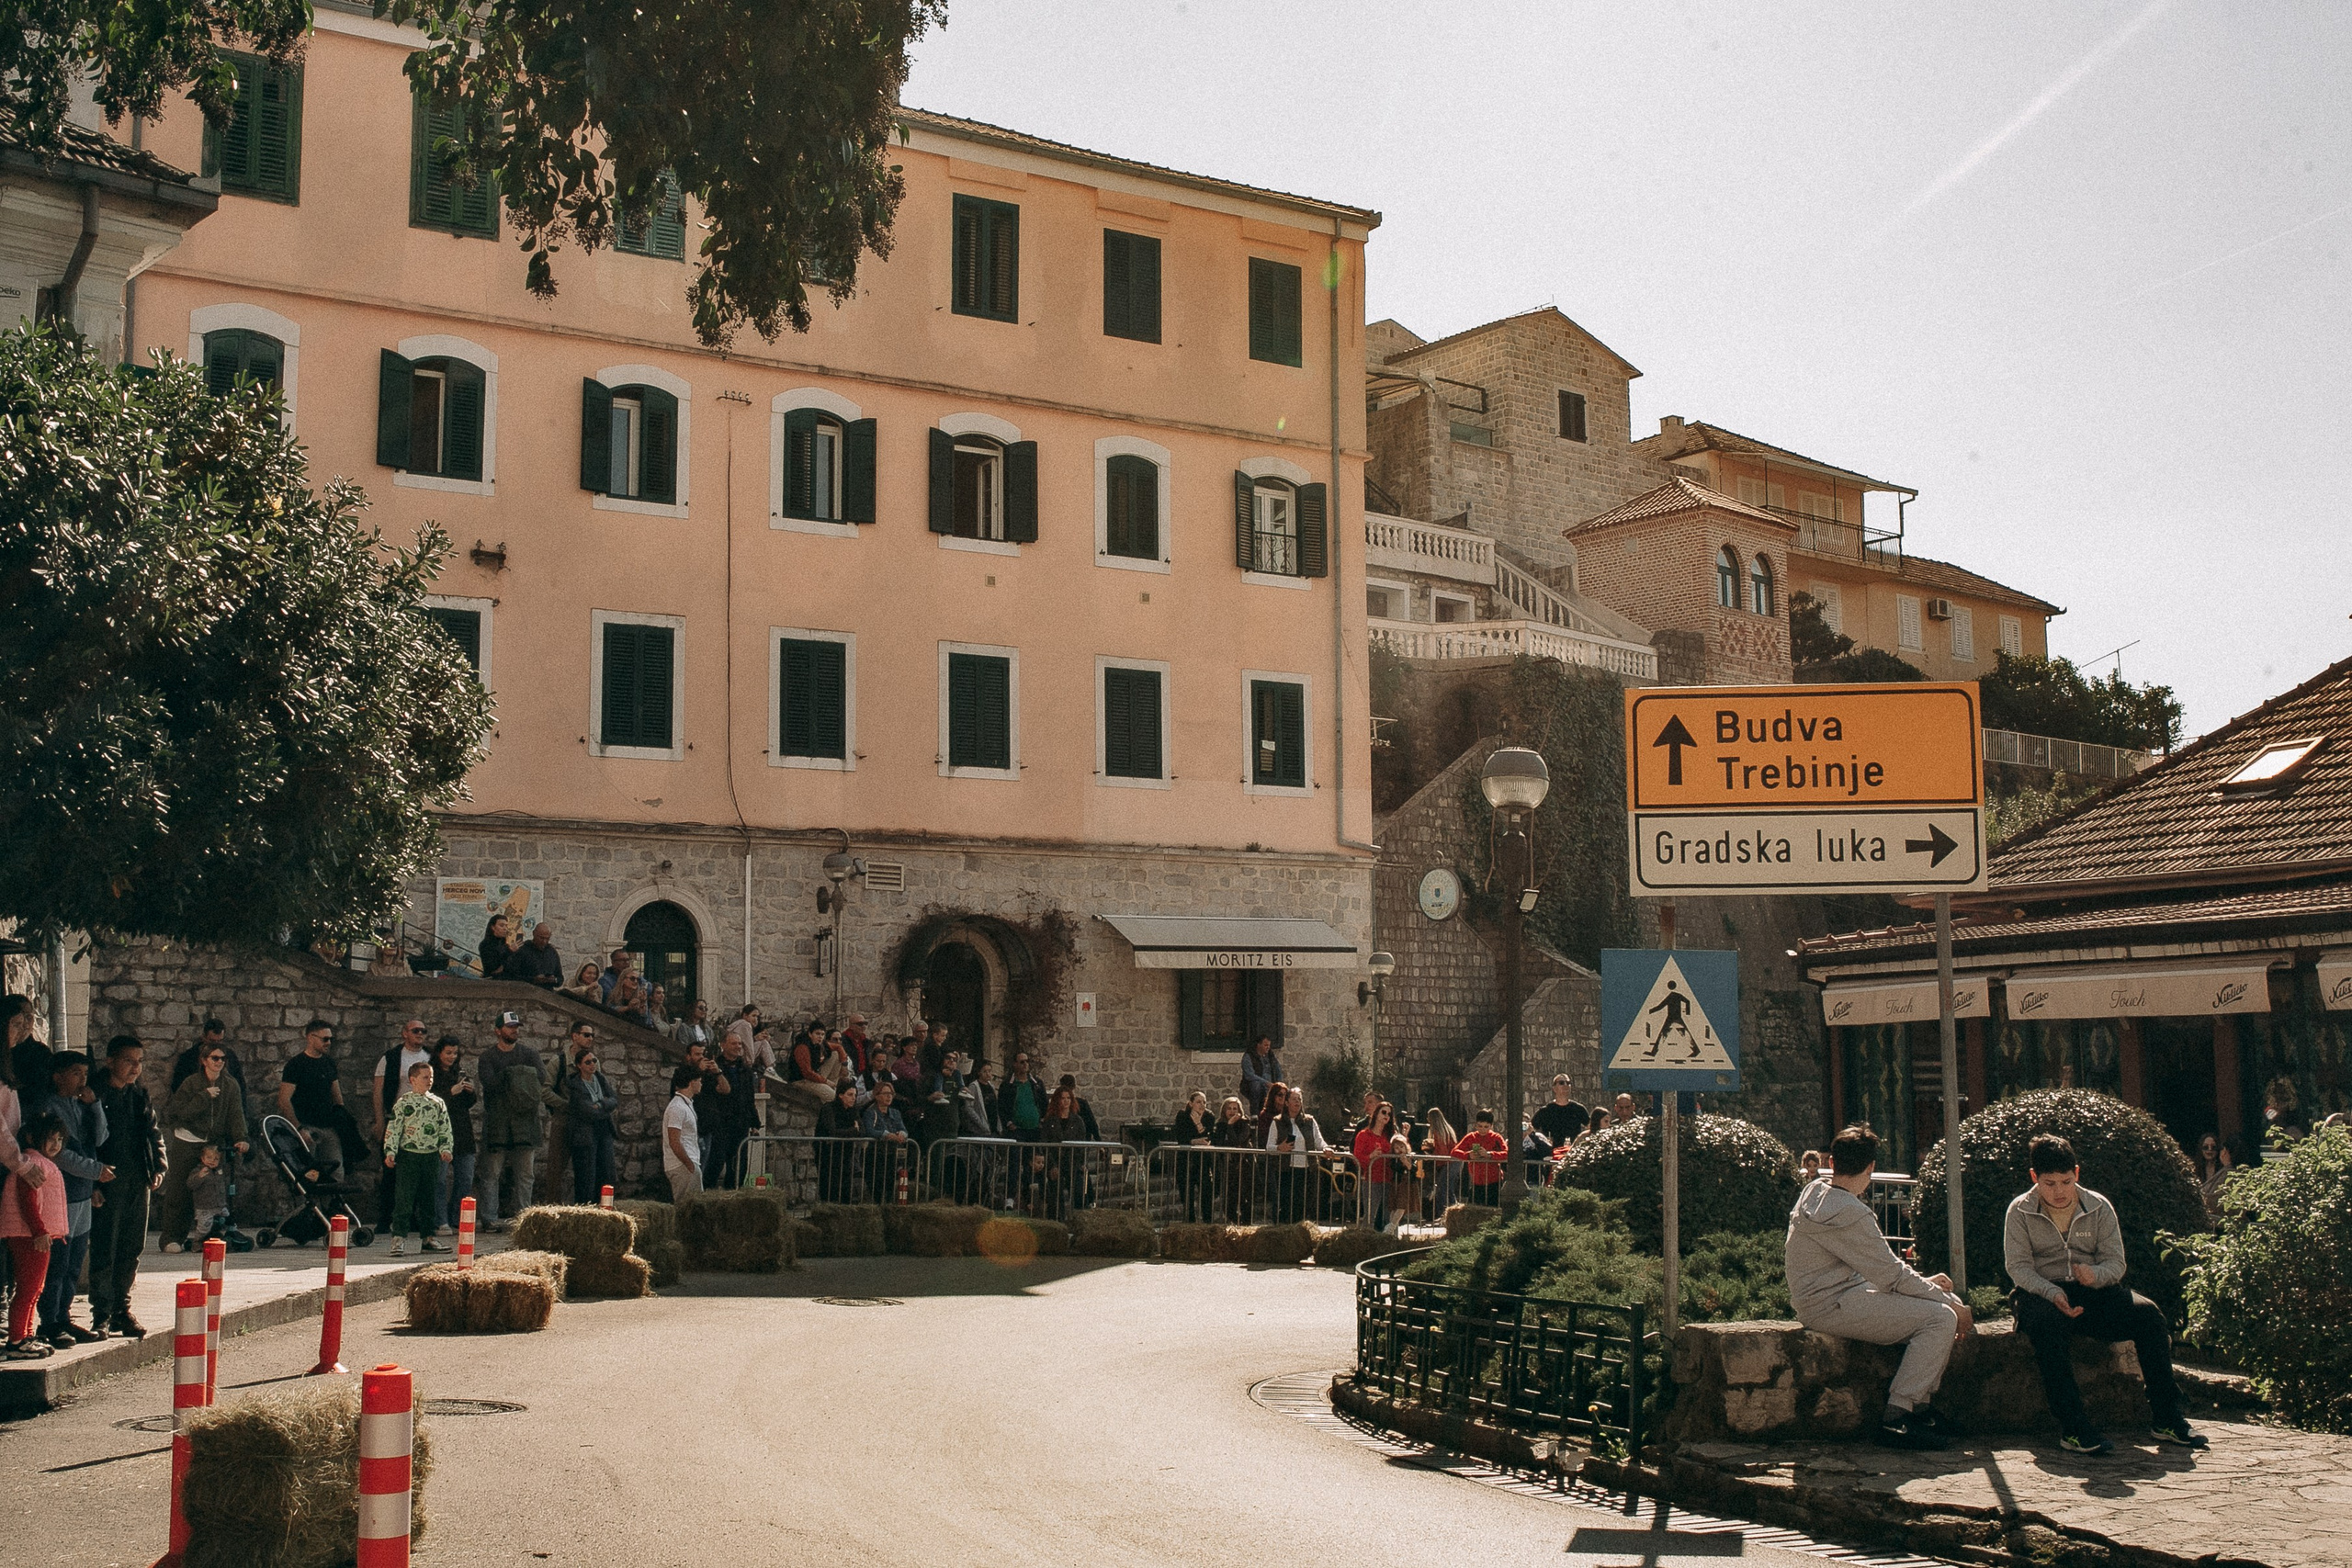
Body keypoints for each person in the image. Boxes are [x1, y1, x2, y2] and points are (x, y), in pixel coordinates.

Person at [2004, 1134, 2207, 1454]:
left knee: (2149, 1316)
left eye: (2066, 1182)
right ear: (2034, 1178)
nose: (2059, 1191)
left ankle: (2167, 1417)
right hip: (2041, 1293)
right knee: (2048, 1327)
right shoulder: (2019, 1211)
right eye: (2050, 1183)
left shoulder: (2098, 1206)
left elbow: (2116, 1262)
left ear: (2077, 1174)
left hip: (2091, 1290)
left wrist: (2095, 1275)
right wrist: (2052, 1292)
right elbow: (2018, 1268)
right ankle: (2074, 1427)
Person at [1785, 1125, 1971, 1451]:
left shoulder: (1813, 1191)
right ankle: (1898, 1416)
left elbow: (1882, 1271)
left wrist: (1932, 1287)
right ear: (1871, 1167)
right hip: (1833, 1304)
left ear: (1831, 1162)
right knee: (1941, 1317)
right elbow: (1893, 1277)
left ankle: (1921, 1410)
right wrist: (1950, 1304)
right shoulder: (1852, 1213)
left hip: (1831, 1296)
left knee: (1945, 1303)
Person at [88, 1035, 165, 1337]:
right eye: (128, 1061)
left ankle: (122, 1308)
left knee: (132, 1247)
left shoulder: (138, 1095)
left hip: (137, 1178)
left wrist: (159, 1167)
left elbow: (153, 1133)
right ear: (110, 1061)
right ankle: (102, 1312)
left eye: (139, 1062)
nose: (135, 1068)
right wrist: (92, 1181)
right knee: (106, 1245)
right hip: (107, 1180)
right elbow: (86, 1139)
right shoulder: (94, 1094)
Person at [33, 1052, 111, 1346]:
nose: (83, 1079)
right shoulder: (48, 1108)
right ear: (58, 1075)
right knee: (58, 1261)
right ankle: (49, 1320)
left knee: (75, 1261)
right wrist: (95, 1171)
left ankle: (64, 1315)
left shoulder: (82, 1106)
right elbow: (60, 1154)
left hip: (81, 1195)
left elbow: (100, 1139)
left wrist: (95, 1107)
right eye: (76, 1073)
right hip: (60, 1194)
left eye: (85, 1073)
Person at [159, 1039, 248, 1251]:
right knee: (179, 1189)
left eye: (222, 1059)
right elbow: (177, 1112)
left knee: (211, 1190)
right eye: (214, 1058)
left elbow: (236, 1114)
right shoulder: (191, 1083)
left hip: (211, 1144)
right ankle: (172, 1237)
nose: (219, 1063)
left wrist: (241, 1138)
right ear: (204, 1060)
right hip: (187, 1140)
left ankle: (208, 1235)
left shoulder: (230, 1085)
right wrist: (203, 1098)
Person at [3, 1111, 67, 1360]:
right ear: (32, 1137)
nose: (56, 1144)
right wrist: (39, 1231)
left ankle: (26, 1334)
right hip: (30, 1236)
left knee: (34, 1288)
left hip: (35, 1235)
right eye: (50, 1138)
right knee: (29, 1288)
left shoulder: (38, 1162)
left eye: (60, 1139)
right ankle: (17, 1339)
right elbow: (27, 1201)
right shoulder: (33, 1163)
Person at [475, 1011, 546, 1231]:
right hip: (498, 1123)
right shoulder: (488, 1057)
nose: (514, 1030)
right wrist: (520, 1076)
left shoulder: (529, 1054)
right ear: (498, 1030)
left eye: (516, 1026)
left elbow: (540, 1080)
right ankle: (490, 1219)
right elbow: (491, 1084)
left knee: (526, 1174)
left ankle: (524, 1217)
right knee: (491, 1174)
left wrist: (509, 1077)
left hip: (525, 1123)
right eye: (509, 1027)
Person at [380, 1061, 453, 1258]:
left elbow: (444, 1128)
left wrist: (445, 1148)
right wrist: (390, 1151)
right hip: (409, 1156)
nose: (429, 1081)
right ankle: (399, 1238)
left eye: (431, 1077)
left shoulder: (437, 1103)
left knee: (428, 1198)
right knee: (404, 1197)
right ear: (412, 1080)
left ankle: (428, 1237)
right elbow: (394, 1128)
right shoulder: (404, 1103)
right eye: (424, 1077)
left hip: (430, 1156)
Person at [277, 1020, 361, 1182]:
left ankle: (331, 1207)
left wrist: (341, 1121)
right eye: (324, 1039)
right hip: (306, 1126)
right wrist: (299, 1128)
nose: (328, 1043)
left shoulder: (328, 1062)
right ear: (310, 1037)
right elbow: (284, 1100)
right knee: (307, 1175)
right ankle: (310, 1206)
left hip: (329, 1127)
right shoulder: (296, 1065)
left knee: (336, 1172)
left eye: (330, 1039)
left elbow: (337, 1096)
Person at [372, 1020, 434, 1227]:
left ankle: (413, 1218)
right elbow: (378, 1091)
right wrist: (380, 1121)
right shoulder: (390, 1058)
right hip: (395, 1119)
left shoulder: (430, 1057)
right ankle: (385, 1218)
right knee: (390, 1170)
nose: (420, 1034)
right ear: (404, 1033)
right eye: (415, 1030)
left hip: (423, 1122)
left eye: (423, 1031)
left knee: (417, 1170)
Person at [430, 1037, 477, 1235]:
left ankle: (456, 1217)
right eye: (448, 1052)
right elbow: (431, 1101)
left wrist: (470, 1092)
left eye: (455, 1053)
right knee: (439, 1180)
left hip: (462, 1132)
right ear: (439, 1052)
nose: (451, 1057)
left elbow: (468, 1103)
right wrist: (451, 1091)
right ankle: (440, 1220)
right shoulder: (431, 1073)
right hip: (440, 1133)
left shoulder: (459, 1073)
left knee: (465, 1178)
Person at [563, 1046, 620, 1203]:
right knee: (587, 1175)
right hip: (585, 1134)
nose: (592, 1065)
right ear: (579, 1066)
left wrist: (600, 1104)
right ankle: (586, 1207)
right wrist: (604, 1107)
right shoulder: (576, 1085)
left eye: (594, 1061)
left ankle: (605, 1205)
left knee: (607, 1172)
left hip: (604, 1130)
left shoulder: (600, 1079)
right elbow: (586, 1111)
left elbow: (614, 1100)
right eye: (588, 1062)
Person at [705, 1029, 758, 1189]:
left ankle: (733, 1195)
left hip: (740, 1122)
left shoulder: (745, 1069)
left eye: (739, 1043)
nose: (738, 1047)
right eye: (734, 1043)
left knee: (738, 1166)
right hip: (720, 1122)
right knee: (716, 1162)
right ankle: (708, 1195)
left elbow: (750, 1098)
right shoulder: (714, 1068)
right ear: (723, 1045)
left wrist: (754, 1122)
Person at [1265, 1086, 1327, 1224]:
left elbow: (1319, 1141)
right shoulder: (1277, 1122)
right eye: (1294, 1099)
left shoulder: (1309, 1121)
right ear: (1286, 1103)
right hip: (1285, 1170)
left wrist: (1326, 1149)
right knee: (1286, 1205)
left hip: (1307, 1170)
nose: (1297, 1102)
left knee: (1303, 1205)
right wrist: (1280, 1147)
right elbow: (1269, 1147)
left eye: (1299, 1099)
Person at [862, 1079, 911, 1201]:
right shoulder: (870, 1112)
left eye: (891, 1094)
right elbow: (869, 1131)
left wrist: (902, 1134)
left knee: (889, 1186)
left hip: (891, 1154)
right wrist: (886, 1135)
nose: (889, 1096)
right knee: (876, 1187)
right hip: (875, 1154)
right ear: (877, 1096)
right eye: (885, 1093)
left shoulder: (895, 1113)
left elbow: (903, 1129)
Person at [1352, 1100, 1397, 1231]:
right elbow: (1357, 1157)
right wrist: (1371, 1156)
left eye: (1389, 1114)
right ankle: (1365, 1240)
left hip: (1388, 1179)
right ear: (1376, 1114)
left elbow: (1401, 1148)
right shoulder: (1364, 1135)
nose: (1386, 1116)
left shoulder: (1390, 1136)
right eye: (1383, 1112)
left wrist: (1404, 1136)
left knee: (1387, 1216)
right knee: (1370, 1215)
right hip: (1372, 1179)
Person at [1212, 1095, 1259, 1221]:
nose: (1232, 1111)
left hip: (1244, 1165)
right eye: (1229, 1108)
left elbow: (1239, 1142)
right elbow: (1220, 1143)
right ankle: (1236, 1223)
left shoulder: (1244, 1123)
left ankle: (1245, 1225)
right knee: (1228, 1202)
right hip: (1228, 1166)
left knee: (1245, 1199)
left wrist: (1230, 1126)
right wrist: (1228, 1127)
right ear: (1224, 1110)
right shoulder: (1220, 1125)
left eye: (1235, 1109)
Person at [169, 1020, 245, 1095]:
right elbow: (178, 1087)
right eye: (212, 1041)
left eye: (219, 1041)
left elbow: (240, 1086)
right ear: (204, 1037)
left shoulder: (230, 1057)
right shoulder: (189, 1058)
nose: (216, 1045)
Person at [661, 1066, 703, 1203]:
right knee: (686, 1206)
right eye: (699, 1081)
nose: (701, 1084)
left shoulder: (686, 1104)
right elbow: (674, 1140)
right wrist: (689, 1164)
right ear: (692, 1082)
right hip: (682, 1165)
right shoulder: (677, 1108)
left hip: (688, 1162)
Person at [1171, 1091, 1215, 1223]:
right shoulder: (1182, 1115)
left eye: (1204, 1102)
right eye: (1198, 1102)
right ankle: (1190, 1222)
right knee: (1187, 1196)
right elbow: (1181, 1137)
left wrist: (1198, 1123)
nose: (1202, 1105)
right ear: (1191, 1104)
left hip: (1203, 1161)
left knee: (1206, 1195)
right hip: (1186, 1160)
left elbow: (1208, 1137)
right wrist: (1195, 1141)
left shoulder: (1209, 1116)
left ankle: (1207, 1224)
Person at [1455, 1111, 1508, 1207]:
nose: (1482, 1130)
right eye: (1480, 1126)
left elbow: (1507, 1153)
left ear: (1491, 1126)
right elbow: (1454, 1152)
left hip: (1494, 1182)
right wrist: (1468, 1155)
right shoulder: (1471, 1137)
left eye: (1486, 1127)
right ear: (1475, 1125)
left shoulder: (1496, 1137)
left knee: (1493, 1209)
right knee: (1473, 1210)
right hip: (1476, 1181)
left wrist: (1490, 1155)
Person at [1530, 1076, 1590, 1152]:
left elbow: (1591, 1126)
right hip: (1551, 1155)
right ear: (1554, 1088)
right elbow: (1531, 1128)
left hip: (1573, 1153)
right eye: (1562, 1083)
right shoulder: (1546, 1111)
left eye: (1568, 1083)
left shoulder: (1578, 1109)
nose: (1566, 1085)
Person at [1423, 1108, 1460, 1216]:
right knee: (1449, 1189)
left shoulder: (1438, 1131)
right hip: (1455, 1161)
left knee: (1442, 1189)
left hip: (1449, 1162)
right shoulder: (1447, 1129)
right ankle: (1455, 1214)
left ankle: (1443, 1214)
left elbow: (1442, 1152)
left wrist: (1430, 1156)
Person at [2192, 1134, 2231, 1225]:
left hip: (2218, 1217)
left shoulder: (2223, 1169)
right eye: (2206, 1147)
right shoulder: (2195, 1168)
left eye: (2213, 1147)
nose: (2209, 1150)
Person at [513, 923, 565, 988]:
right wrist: (533, 979)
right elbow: (513, 976)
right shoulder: (523, 950)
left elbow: (560, 978)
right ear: (534, 934)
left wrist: (554, 980)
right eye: (541, 938)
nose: (544, 941)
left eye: (547, 939)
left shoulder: (552, 952)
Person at [1240, 1035, 1283, 1116]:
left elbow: (1278, 1070)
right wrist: (1266, 1083)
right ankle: (1255, 1115)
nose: (1268, 1048)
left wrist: (1279, 1084)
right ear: (1258, 1045)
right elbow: (1249, 1075)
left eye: (1269, 1045)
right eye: (1265, 1045)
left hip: (1270, 1085)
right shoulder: (1248, 1057)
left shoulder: (1271, 1056)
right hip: (1255, 1086)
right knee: (1256, 1086)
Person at [476, 913, 522, 981]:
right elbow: (493, 968)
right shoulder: (486, 945)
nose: (505, 929)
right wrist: (509, 951)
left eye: (506, 926)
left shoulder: (504, 945)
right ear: (493, 927)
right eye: (501, 925)